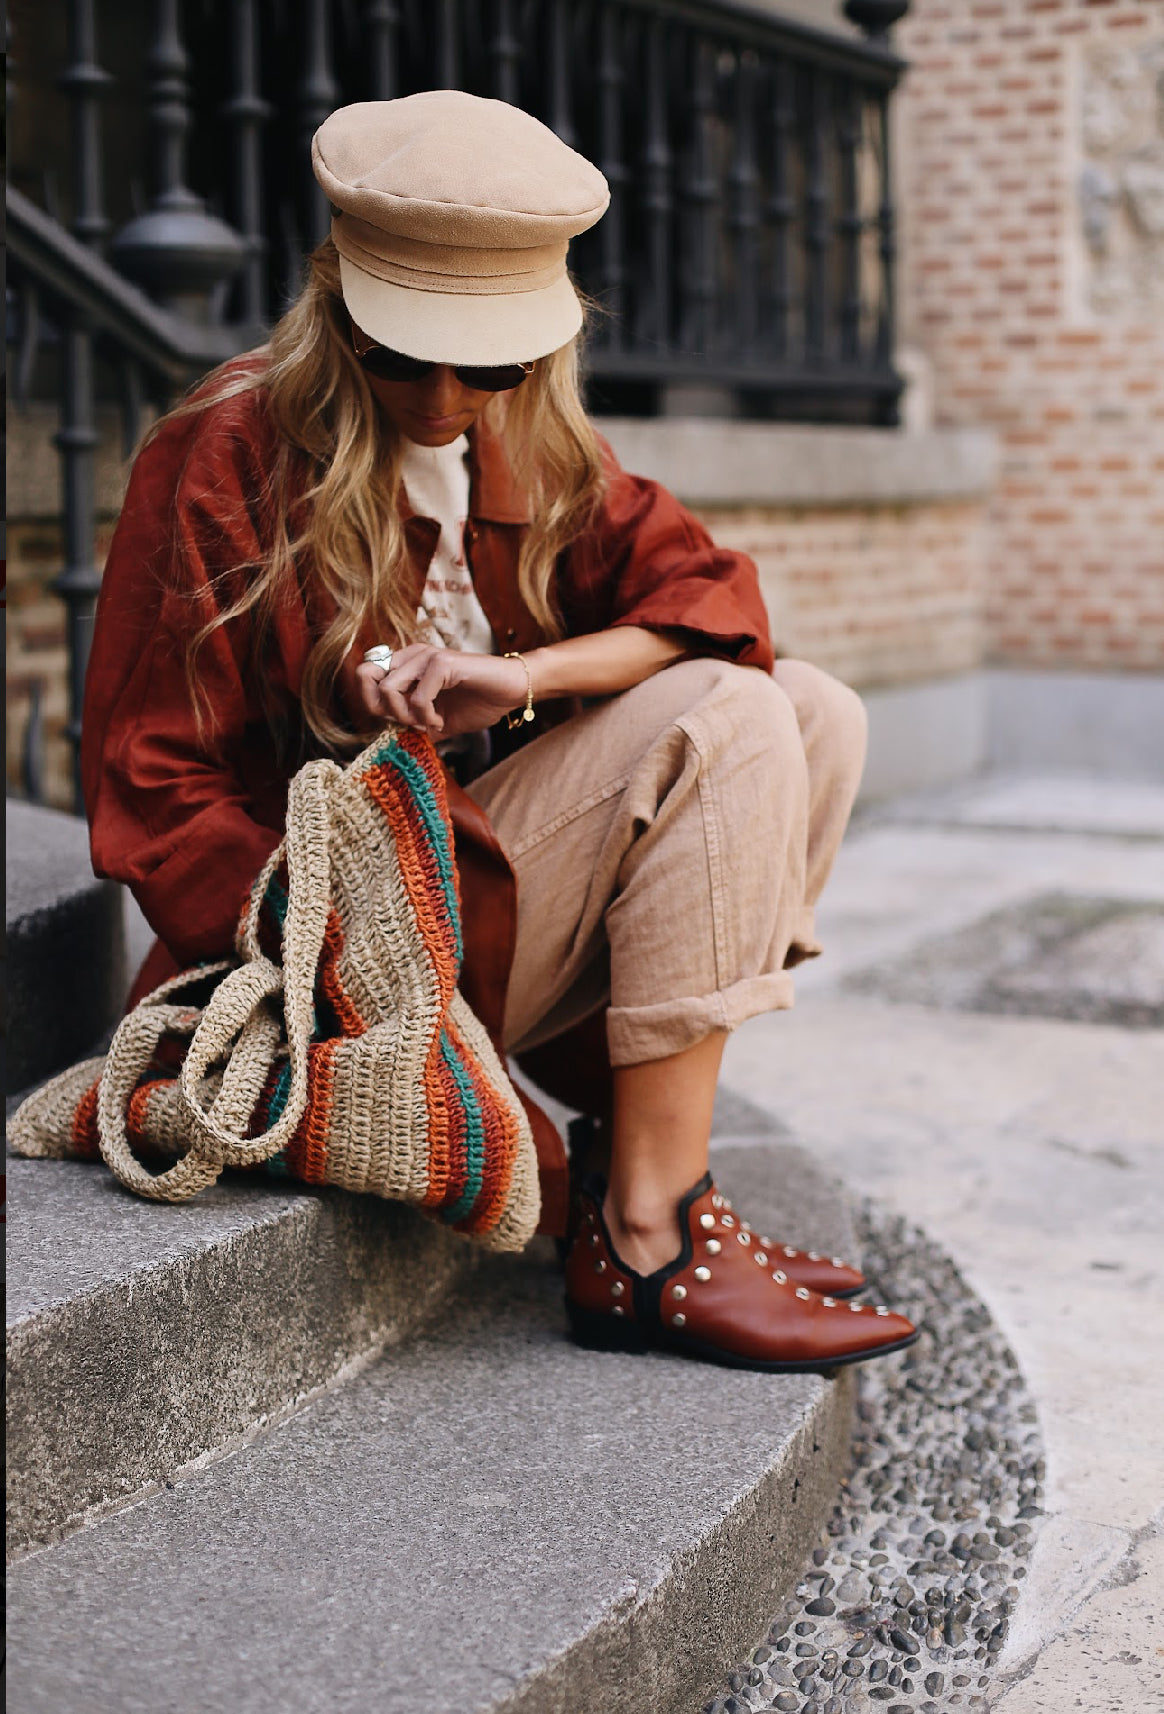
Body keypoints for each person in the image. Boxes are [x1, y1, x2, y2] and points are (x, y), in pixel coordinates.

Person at [83, 91, 916, 1372]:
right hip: (317, 953)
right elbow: (153, 785)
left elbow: (716, 600)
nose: (444, 395)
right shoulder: (227, 449)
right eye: (404, 351)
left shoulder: (527, 439)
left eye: (490, 361)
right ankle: (649, 1238)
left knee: (809, 708)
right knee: (738, 714)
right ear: (335, 301)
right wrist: (344, 930)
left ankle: (648, 1189)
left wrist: (509, 677)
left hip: (485, 921)